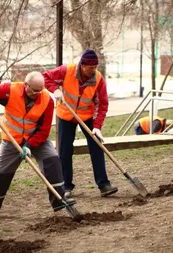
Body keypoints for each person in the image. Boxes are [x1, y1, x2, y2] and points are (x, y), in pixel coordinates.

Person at [0, 71, 76, 220]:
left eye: (40, 90)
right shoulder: (10, 90)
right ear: (26, 85)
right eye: (34, 90)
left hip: (37, 139)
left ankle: (59, 200)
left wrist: (29, 146)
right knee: (1, 172)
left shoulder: (47, 101)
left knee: (53, 161)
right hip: (12, 139)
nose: (37, 93)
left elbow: (44, 131)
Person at [43, 49, 118, 198]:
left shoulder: (98, 79)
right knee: (65, 150)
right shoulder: (67, 71)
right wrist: (55, 90)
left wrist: (97, 127)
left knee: (97, 147)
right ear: (82, 65)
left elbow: (102, 104)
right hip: (66, 115)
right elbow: (44, 77)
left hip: (87, 116)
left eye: (95, 67)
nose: (93, 70)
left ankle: (104, 184)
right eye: (90, 68)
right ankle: (66, 186)